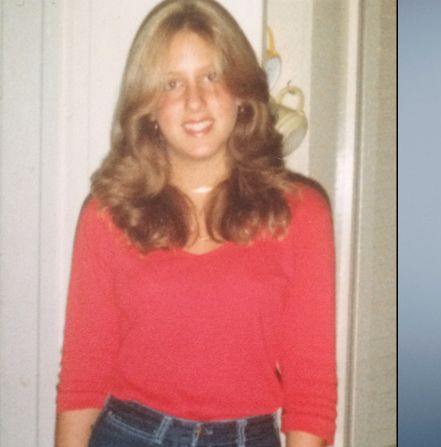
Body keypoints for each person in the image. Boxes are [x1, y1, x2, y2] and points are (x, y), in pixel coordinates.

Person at [55, 1, 336, 446]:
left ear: (242, 91)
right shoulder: (107, 215)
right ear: (147, 106)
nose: (195, 101)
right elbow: (81, 377)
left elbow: (312, 392)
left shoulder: (301, 214)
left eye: (212, 76)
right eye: (172, 83)